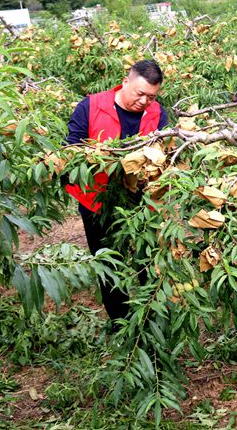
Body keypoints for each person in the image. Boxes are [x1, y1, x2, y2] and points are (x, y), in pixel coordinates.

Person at [65, 59, 168, 321]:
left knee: (148, 257)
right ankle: (119, 321)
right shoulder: (91, 106)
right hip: (96, 201)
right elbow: (70, 151)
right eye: (140, 93)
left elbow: (163, 155)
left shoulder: (157, 114)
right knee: (109, 261)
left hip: (140, 200)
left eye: (151, 96)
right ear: (126, 82)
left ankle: (148, 316)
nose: (145, 101)